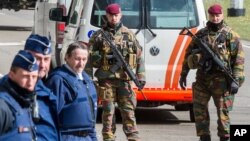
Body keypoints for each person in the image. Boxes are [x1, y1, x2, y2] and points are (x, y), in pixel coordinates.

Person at [179, 4, 245, 141]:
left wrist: (236, 80)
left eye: (218, 15)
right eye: (212, 16)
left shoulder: (230, 35)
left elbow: (238, 60)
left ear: (222, 15)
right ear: (209, 16)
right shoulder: (201, 35)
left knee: (223, 112)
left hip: (222, 81)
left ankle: (224, 137)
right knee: (199, 110)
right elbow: (188, 55)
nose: (215, 18)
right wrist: (183, 74)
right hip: (203, 79)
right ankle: (204, 136)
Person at [88, 3, 146, 141]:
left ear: (120, 15)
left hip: (125, 80)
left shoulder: (129, 34)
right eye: (111, 15)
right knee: (108, 112)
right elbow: (88, 59)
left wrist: (141, 77)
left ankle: (133, 137)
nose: (113, 18)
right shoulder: (99, 36)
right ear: (106, 16)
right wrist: (88, 79)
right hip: (106, 80)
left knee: (128, 111)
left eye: (116, 15)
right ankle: (108, 137)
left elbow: (139, 57)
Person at [46, 42, 98, 141]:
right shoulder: (58, 80)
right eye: (77, 59)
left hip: (87, 137)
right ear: (67, 57)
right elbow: (49, 117)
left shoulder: (86, 80)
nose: (81, 64)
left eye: (84, 59)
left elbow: (91, 118)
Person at [24, 34, 59, 141]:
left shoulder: (48, 94)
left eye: (46, 59)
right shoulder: (7, 91)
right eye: (38, 58)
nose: (43, 65)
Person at [0, 50, 39, 140]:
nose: (30, 83)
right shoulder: (3, 106)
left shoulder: (24, 103)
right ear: (11, 75)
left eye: (34, 77)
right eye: (25, 76)